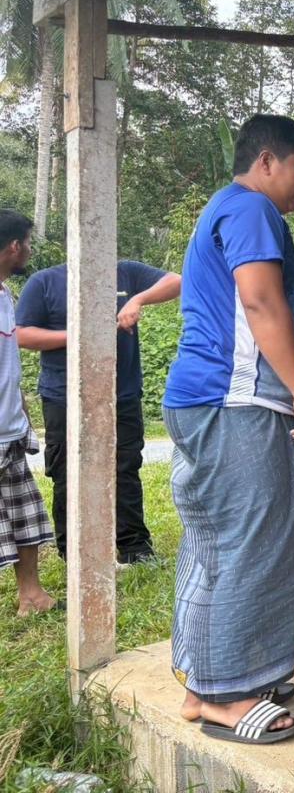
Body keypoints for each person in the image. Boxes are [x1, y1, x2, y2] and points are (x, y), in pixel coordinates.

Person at [163, 114, 294, 745]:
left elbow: (283, 319)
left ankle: (210, 682)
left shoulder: (230, 210)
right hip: (237, 405)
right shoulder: (252, 209)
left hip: (215, 402)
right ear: (265, 162)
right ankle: (226, 696)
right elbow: (260, 304)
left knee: (222, 543)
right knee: (249, 544)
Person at [16, 260, 181, 565]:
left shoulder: (125, 272)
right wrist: (78, 337)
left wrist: (138, 299)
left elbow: (176, 281)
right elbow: (22, 334)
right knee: (66, 470)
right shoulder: (45, 281)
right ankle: (73, 550)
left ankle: (134, 547)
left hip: (122, 393)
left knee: (125, 467)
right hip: (64, 395)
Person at [0, 210, 56, 617]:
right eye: (29, 243)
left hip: (10, 428)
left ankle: (32, 595)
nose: (30, 251)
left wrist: (19, 408)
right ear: (14, 246)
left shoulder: (5, 295)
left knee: (24, 514)